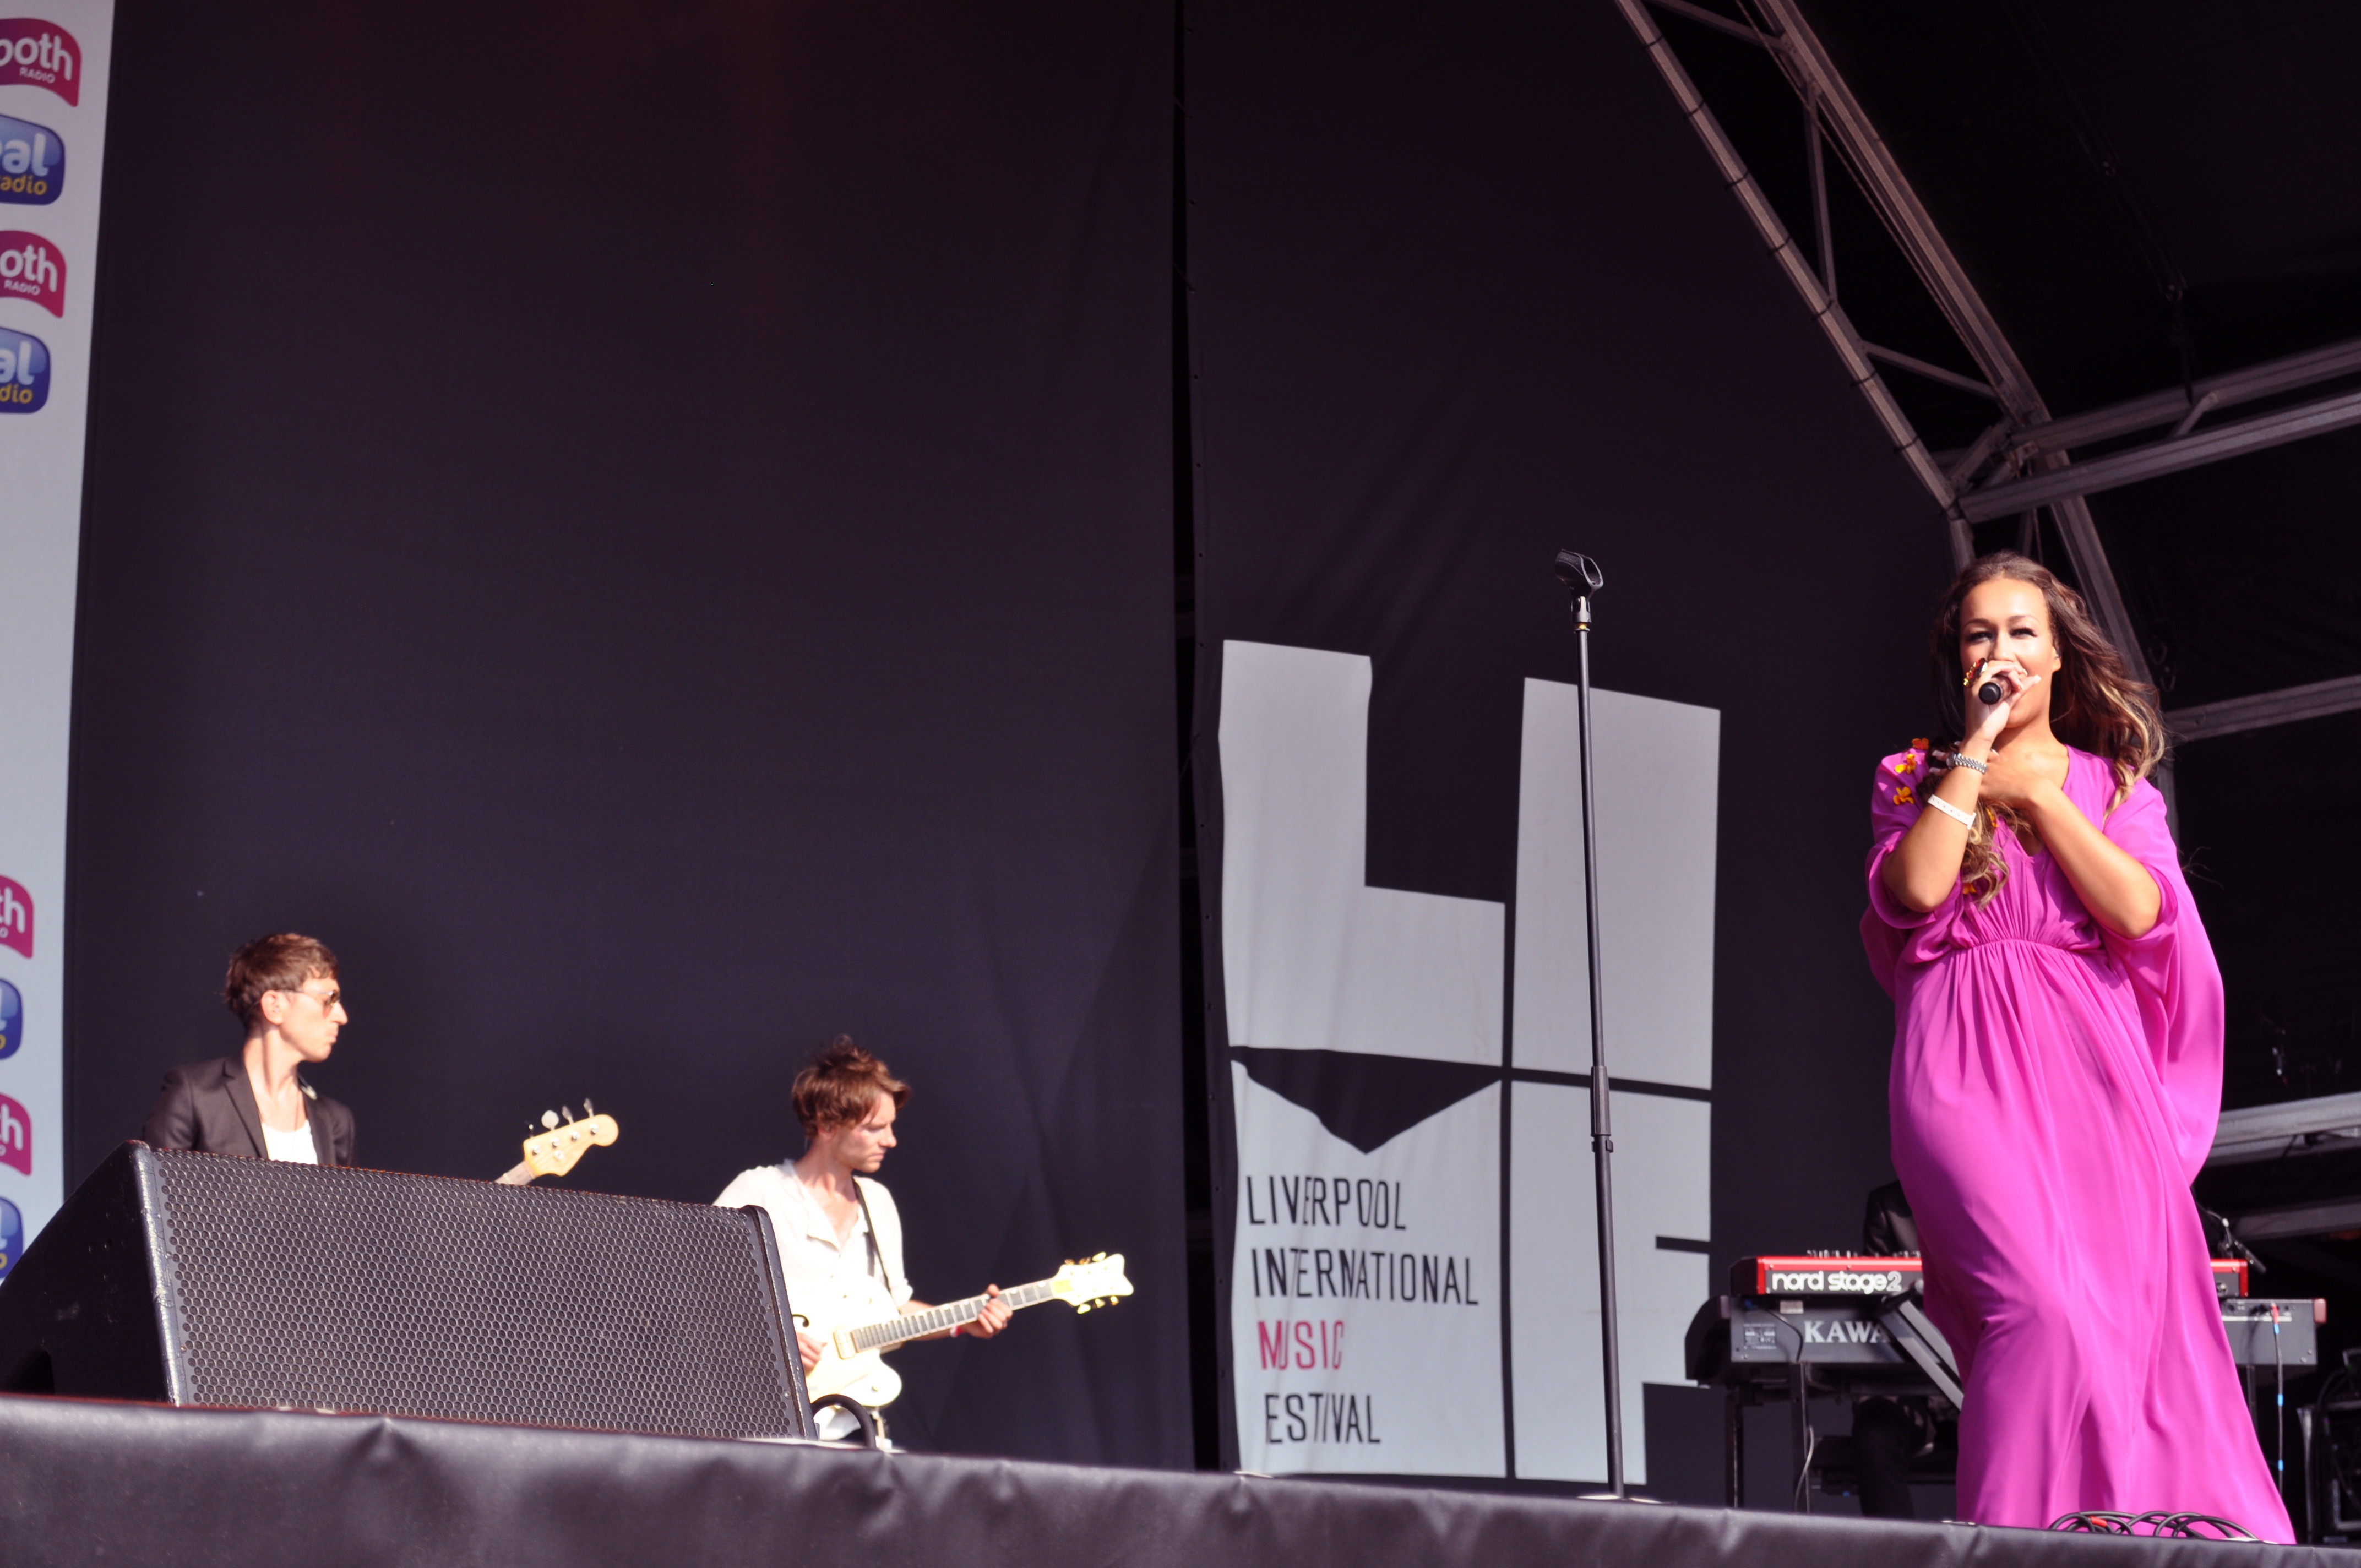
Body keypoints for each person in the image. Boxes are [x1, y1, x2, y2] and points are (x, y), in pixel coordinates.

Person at [1863, 551, 2289, 1538]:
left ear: (2057, 654)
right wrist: (1978, 754)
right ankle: (2017, 1546)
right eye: (1980, 634)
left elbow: (2140, 911)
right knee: (2037, 1311)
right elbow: (1914, 892)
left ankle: (2122, 1535)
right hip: (1961, 1069)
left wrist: (2044, 797)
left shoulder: (2112, 786)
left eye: (2022, 631)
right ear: (1957, 657)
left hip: (2094, 1078)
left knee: (2134, 1329)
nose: (2000, 650)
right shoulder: (1914, 776)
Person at [715, 1037, 1009, 1435]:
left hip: (849, 1425)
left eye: (891, 1126)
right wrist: (771, 1336)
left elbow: (896, 1309)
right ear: (827, 1125)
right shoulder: (760, 1190)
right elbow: (697, 1291)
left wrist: (964, 1321)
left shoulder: (878, 1201)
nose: (891, 1140)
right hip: (760, 1418)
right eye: (874, 1128)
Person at [142, 933, 356, 1166]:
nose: (342, 1016)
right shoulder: (196, 1095)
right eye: (329, 1000)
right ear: (274, 1006)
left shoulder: (334, 1122)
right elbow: (154, 1185)